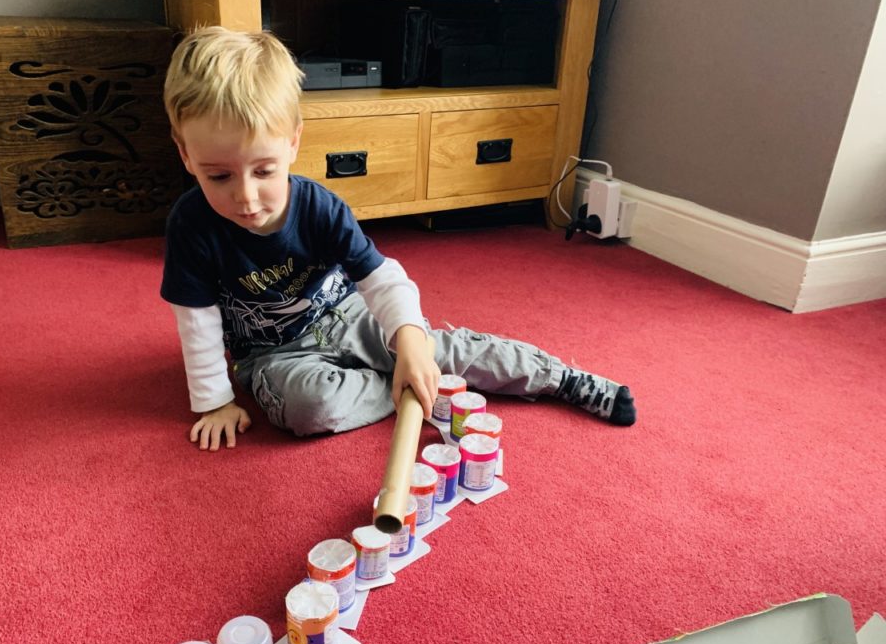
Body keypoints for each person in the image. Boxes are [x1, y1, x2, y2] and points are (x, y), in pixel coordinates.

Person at [161, 26, 636, 451]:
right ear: (185, 154)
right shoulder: (191, 224)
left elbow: (381, 278)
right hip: (275, 354)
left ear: (293, 144)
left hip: (349, 315)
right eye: (218, 176)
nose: (246, 197)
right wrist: (214, 402)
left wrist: (409, 341)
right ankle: (403, 383)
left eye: (264, 171)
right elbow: (197, 321)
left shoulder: (319, 206)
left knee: (438, 349)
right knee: (309, 409)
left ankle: (561, 379)